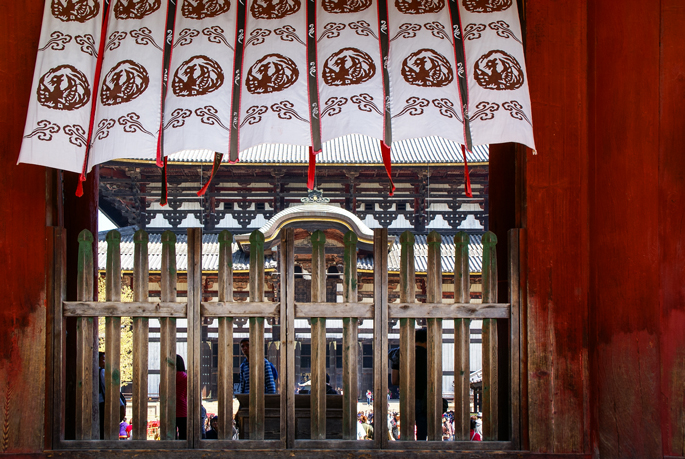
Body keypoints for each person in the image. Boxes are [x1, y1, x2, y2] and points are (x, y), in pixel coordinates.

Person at [389, 328, 428, 440]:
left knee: (406, 433)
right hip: (424, 398)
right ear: (427, 340)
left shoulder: (400, 354)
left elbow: (394, 381)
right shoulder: (430, 355)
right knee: (422, 434)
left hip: (407, 398)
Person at [99, 351, 126, 440]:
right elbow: (110, 390)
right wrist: (121, 404)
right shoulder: (102, 372)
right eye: (103, 359)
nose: (105, 362)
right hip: (102, 406)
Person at [176, 354, 188, 440]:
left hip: (169, 410)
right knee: (183, 436)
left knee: (169, 436)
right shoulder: (186, 377)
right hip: (183, 410)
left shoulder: (166, 377)